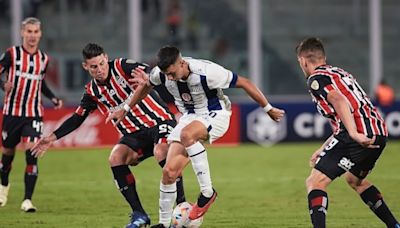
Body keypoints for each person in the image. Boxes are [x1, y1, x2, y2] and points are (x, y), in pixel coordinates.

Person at [107, 46, 285, 228]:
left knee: (186, 134)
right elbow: (145, 86)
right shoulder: (160, 73)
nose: (169, 78)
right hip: (189, 118)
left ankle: (207, 193)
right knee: (169, 173)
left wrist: (268, 109)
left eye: (172, 73)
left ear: (182, 63)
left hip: (216, 115)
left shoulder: (208, 72)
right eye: (166, 74)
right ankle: (163, 223)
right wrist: (126, 108)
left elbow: (245, 82)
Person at [31, 43, 187, 228]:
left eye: (102, 64)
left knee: (162, 152)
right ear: (85, 67)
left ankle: (182, 207)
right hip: (133, 133)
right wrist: (52, 137)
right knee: (115, 158)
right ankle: (139, 214)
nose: (100, 70)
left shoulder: (122, 66)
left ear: (106, 58)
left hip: (159, 122)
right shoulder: (92, 92)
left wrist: (146, 75)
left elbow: (149, 71)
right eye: (94, 67)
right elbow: (77, 118)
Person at [296, 37, 400, 228]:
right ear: (323, 57)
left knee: (315, 182)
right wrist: (324, 147)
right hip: (378, 133)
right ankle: (395, 226)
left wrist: (353, 133)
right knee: (355, 180)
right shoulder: (340, 73)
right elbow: (345, 114)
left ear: (303, 60)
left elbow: (339, 101)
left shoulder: (316, 79)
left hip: (357, 135)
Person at [0, 17, 63, 212]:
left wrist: (52, 97)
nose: (32, 36)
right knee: (8, 154)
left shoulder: (44, 59)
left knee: (31, 151)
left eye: (36, 32)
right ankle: (3, 187)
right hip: (12, 113)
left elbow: (40, 82)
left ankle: (27, 200)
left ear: (40, 34)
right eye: (29, 32)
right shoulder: (12, 54)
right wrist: (3, 85)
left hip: (33, 113)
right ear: (22, 33)